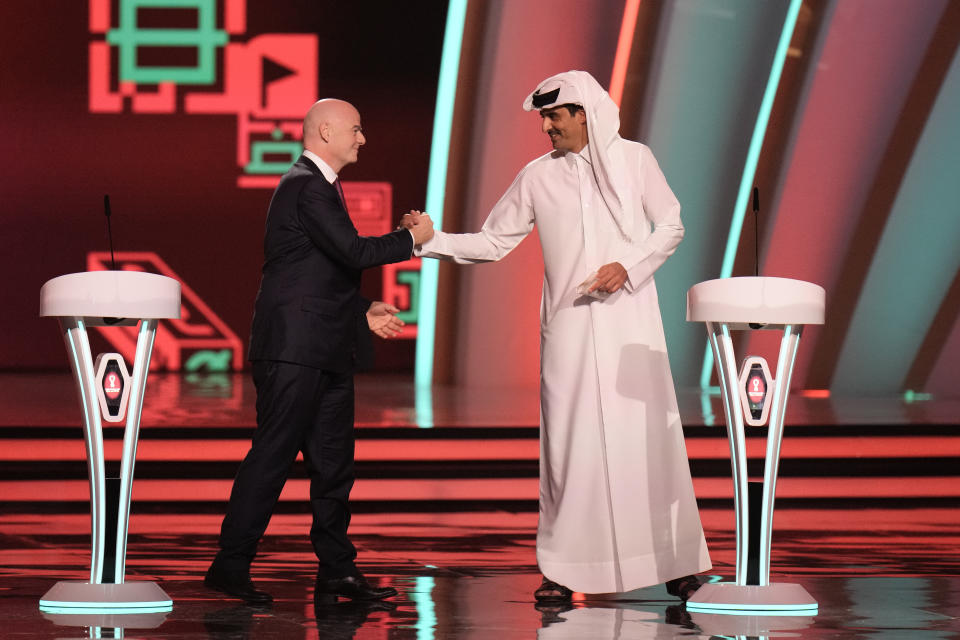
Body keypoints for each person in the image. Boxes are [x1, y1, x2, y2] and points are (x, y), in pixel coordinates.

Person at [403, 71, 710, 602]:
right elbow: (494, 241)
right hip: (568, 329)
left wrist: (628, 265)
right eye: (543, 117)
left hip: (631, 326)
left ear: (584, 113)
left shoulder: (636, 161)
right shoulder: (537, 176)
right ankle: (563, 570)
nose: (546, 126)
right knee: (569, 449)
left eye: (554, 116)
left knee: (647, 442)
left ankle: (676, 564)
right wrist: (431, 242)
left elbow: (672, 225)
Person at [205, 98, 434, 604]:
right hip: (293, 351)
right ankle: (230, 563)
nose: (363, 138)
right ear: (326, 132)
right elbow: (353, 252)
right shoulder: (306, 185)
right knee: (274, 454)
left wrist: (362, 309)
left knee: (334, 464)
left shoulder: (319, 187)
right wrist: (412, 237)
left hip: (325, 348)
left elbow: (317, 273)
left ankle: (337, 570)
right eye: (356, 128)